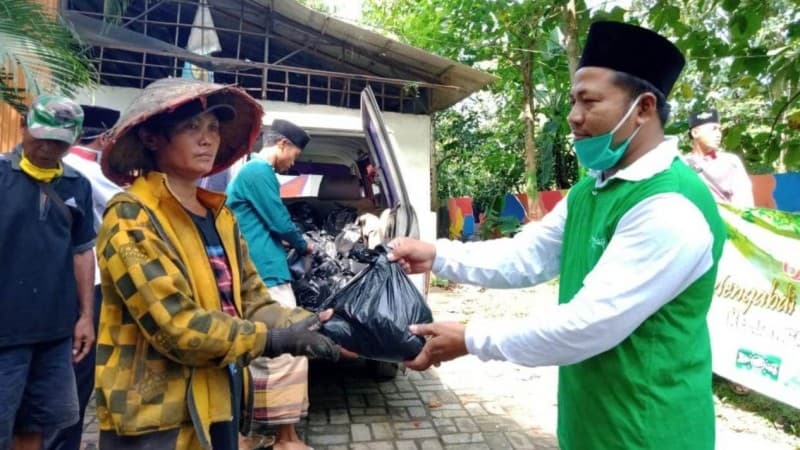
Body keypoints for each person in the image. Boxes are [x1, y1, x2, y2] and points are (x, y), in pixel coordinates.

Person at [389, 21, 726, 450]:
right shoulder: (593, 188)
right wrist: (437, 255)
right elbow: (529, 255)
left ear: (643, 108)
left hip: (650, 430)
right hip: (590, 422)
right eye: (572, 100)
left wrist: (471, 338)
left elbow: (586, 325)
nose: (573, 116)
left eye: (589, 101)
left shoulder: (670, 207)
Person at [94, 78, 340, 450]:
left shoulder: (220, 217)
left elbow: (254, 300)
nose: (207, 139)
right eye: (191, 127)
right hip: (153, 415)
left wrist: (308, 324)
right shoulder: (130, 217)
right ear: (151, 138)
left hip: (219, 399)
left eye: (213, 128)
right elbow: (176, 326)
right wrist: (273, 340)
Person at [0, 96, 95, 450]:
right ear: (23, 127)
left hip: (54, 333)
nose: (46, 147)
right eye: (40, 137)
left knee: (37, 423)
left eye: (58, 141)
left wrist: (85, 316)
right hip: (5, 333)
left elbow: (82, 252)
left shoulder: (76, 185)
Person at [226, 119, 315, 450]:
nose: (294, 162)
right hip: (266, 274)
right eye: (294, 154)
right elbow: (279, 220)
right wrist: (305, 244)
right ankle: (285, 440)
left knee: (258, 354)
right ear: (281, 144)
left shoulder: (250, 173)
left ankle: (247, 436)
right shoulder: (259, 172)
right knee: (289, 350)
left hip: (258, 270)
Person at [46, 105, 122, 450]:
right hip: (84, 285)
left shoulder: (55, 167)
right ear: (105, 137)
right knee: (76, 376)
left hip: (43, 286)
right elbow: (127, 207)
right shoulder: (87, 171)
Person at [684, 108, 755, 208]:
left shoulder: (731, 161)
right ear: (695, 133)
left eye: (719, 130)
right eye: (713, 129)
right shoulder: (683, 164)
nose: (719, 135)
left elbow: (744, 201)